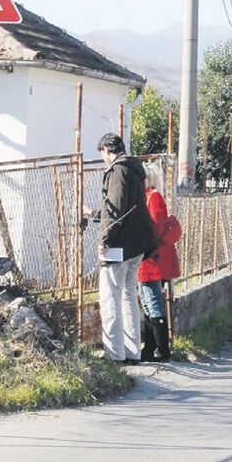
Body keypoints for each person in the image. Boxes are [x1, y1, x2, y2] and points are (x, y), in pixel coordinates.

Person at [92, 133, 157, 364]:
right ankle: (132, 352)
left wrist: (104, 240)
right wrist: (94, 214)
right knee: (128, 295)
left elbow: (116, 209)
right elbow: (123, 207)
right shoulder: (134, 169)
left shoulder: (118, 171)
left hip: (119, 244)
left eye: (102, 154)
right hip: (137, 243)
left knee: (110, 297)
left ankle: (115, 355)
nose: (103, 159)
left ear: (107, 150)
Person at [138, 163, 181, 361]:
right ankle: (151, 348)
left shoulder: (153, 197)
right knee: (148, 303)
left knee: (152, 302)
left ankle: (161, 350)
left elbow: (155, 227)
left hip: (151, 258)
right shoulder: (149, 196)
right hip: (149, 257)